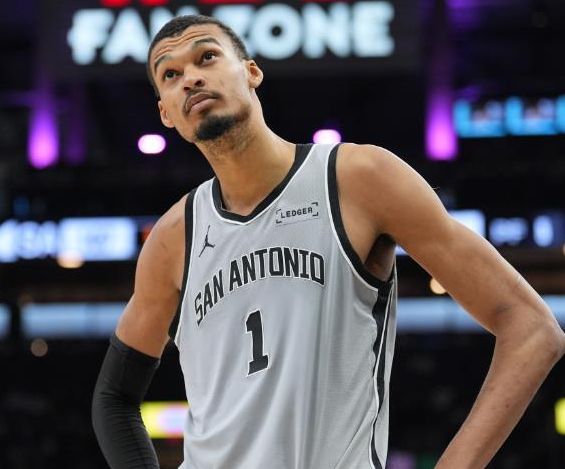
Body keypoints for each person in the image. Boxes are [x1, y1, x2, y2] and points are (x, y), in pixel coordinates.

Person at [92, 14, 565, 469]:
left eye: (207, 57)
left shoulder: (358, 178)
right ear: (166, 113)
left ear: (251, 72)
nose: (191, 79)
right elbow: (113, 398)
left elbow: (531, 327)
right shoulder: (172, 238)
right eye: (170, 75)